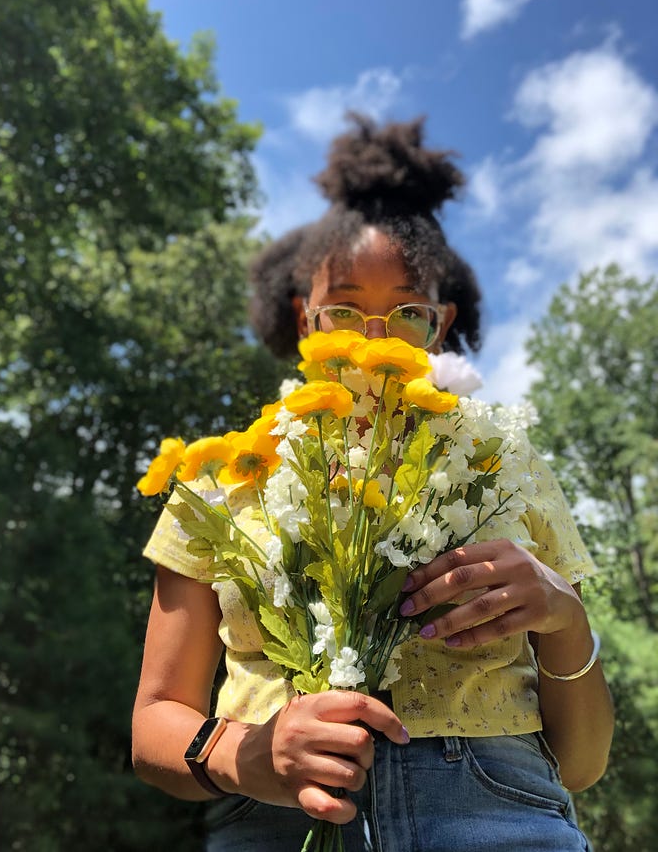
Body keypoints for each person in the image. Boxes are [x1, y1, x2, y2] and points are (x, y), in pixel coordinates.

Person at [132, 114, 614, 852]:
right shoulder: (217, 478)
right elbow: (154, 723)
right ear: (305, 320)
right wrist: (245, 755)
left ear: (442, 325)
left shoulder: (505, 463)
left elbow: (582, 766)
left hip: (501, 815)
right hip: (269, 825)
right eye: (347, 311)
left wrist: (564, 618)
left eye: (408, 313)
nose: (376, 340)